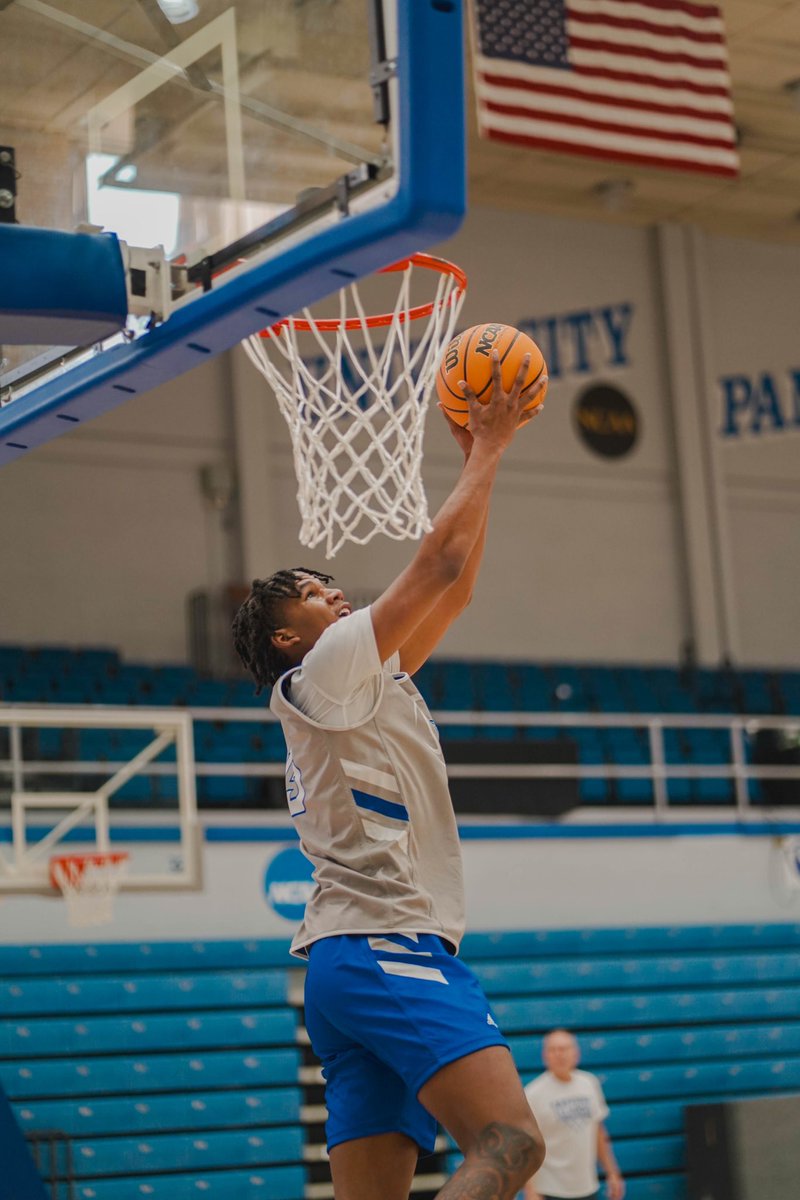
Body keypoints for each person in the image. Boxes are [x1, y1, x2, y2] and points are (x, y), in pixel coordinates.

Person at [232, 351, 548, 1200]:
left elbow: (460, 588)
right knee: (512, 1142)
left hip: (346, 964)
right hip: (387, 946)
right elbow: (437, 568)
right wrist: (487, 441)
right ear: (288, 639)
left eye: (332, 581)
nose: (333, 591)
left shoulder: (359, 681)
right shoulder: (326, 670)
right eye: (311, 590)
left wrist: (490, 453)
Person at [522, 1029, 624, 1200]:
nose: (559, 1054)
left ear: (576, 1053)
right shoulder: (533, 1093)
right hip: (550, 1190)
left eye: (564, 1048)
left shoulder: (589, 1083)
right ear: (544, 1055)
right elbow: (526, 1144)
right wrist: (530, 1190)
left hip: (587, 1186)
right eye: (553, 1050)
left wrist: (612, 1172)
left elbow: (598, 1132)